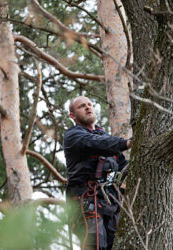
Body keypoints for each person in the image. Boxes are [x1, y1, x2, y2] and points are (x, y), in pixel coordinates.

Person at [64, 96, 132, 250]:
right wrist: (126, 143)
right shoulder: (73, 136)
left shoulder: (105, 137)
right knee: (95, 245)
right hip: (86, 201)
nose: (88, 107)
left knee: (117, 245)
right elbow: (95, 143)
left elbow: (123, 165)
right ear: (72, 116)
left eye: (90, 104)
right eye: (82, 106)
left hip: (110, 202)